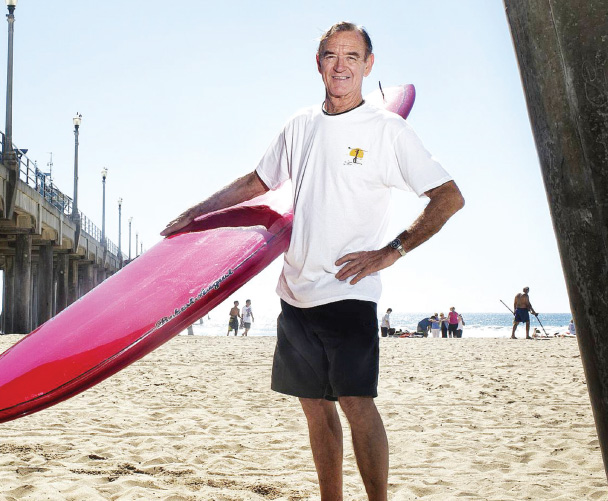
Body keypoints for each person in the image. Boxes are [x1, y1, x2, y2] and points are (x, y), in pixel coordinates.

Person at [161, 21, 464, 500]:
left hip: (348, 291)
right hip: (296, 294)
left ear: (368, 65)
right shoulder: (300, 124)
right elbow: (256, 183)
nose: (340, 65)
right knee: (315, 410)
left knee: (356, 404)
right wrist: (198, 211)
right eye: (331, 55)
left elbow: (448, 197)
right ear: (318, 61)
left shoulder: (387, 131)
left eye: (351, 56)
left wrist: (392, 251)